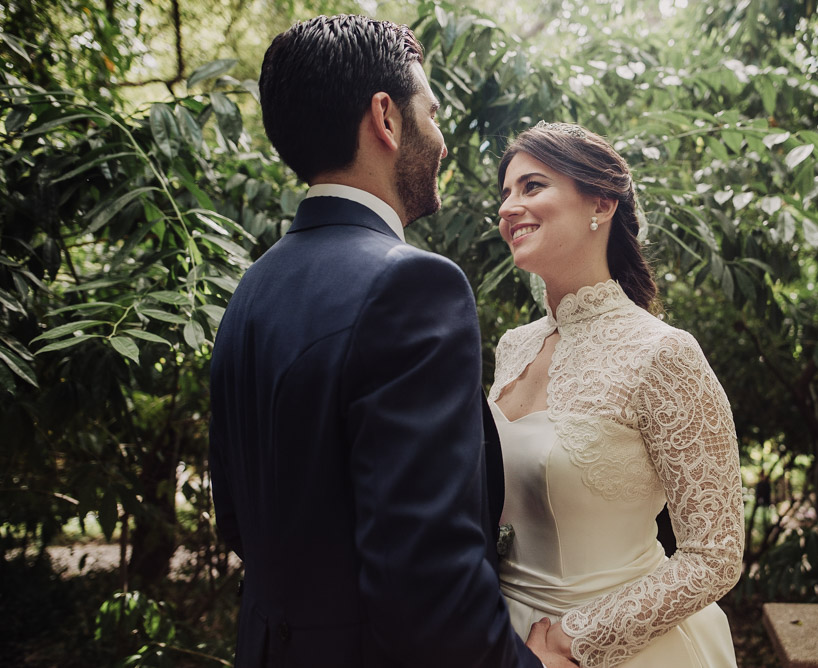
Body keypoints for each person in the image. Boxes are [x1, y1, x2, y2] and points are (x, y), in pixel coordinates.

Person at [209, 16, 571, 668]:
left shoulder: (252, 290)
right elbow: (428, 584)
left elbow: (237, 519)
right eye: (431, 113)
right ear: (386, 118)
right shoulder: (412, 286)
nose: (441, 140)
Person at [488, 121, 745, 667]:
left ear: (600, 204)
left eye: (532, 186)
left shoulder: (663, 353)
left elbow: (715, 554)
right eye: (505, 193)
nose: (508, 207)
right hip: (498, 638)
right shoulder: (512, 347)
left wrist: (574, 640)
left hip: (616, 647)